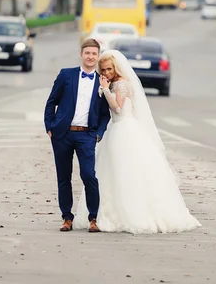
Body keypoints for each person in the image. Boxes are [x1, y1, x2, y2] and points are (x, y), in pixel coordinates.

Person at [72, 50, 201, 234]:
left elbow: (117, 108)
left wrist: (105, 90)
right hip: (115, 130)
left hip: (125, 129)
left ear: (115, 68)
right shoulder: (112, 82)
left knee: (128, 171)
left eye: (109, 69)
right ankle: (105, 212)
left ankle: (131, 212)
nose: (107, 73)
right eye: (104, 70)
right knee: (111, 171)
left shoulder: (122, 83)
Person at [44, 38, 111, 233]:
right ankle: (67, 218)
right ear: (81, 54)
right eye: (87, 53)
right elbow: (51, 102)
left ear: (98, 57)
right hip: (62, 134)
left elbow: (106, 114)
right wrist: (50, 126)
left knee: (89, 175)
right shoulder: (66, 75)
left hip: (86, 135)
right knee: (63, 177)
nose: (90, 56)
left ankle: (93, 218)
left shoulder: (102, 81)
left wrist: (98, 134)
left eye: (94, 54)